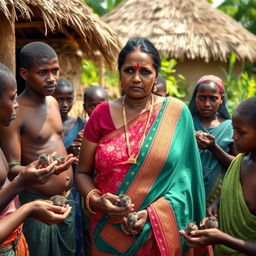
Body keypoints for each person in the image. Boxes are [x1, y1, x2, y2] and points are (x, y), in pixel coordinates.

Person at [76, 37, 212, 255]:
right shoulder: (100, 115)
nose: (136, 78)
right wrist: (96, 199)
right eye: (129, 70)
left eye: (145, 72)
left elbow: (187, 184)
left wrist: (152, 215)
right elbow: (82, 172)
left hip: (159, 237)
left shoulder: (176, 114)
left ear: (156, 75)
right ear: (119, 74)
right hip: (108, 233)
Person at [0, 42, 77, 256]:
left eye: (55, 71)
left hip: (65, 201)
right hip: (37, 205)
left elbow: (51, 146)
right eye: (43, 72)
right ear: (24, 73)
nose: (52, 78)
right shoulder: (14, 112)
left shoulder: (53, 103)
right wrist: (40, 172)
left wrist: (67, 156)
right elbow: (12, 168)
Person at [181, 96, 256, 256]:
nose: (233, 137)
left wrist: (223, 239)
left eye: (241, 132)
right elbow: (234, 190)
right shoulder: (241, 161)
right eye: (233, 129)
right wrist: (217, 203)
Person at [188, 75, 236, 213]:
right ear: (195, 98)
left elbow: (238, 164)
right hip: (188, 192)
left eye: (213, 98)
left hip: (218, 198)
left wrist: (213, 148)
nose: (207, 104)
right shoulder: (186, 122)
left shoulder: (230, 127)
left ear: (221, 99)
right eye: (202, 97)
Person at [54, 77, 86, 256]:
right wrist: (67, 150)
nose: (65, 104)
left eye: (69, 98)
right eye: (60, 99)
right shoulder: (45, 125)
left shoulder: (81, 125)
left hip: (72, 188)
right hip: (47, 188)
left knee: (72, 235)